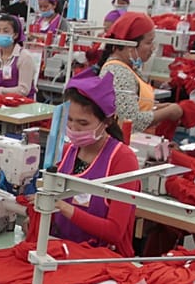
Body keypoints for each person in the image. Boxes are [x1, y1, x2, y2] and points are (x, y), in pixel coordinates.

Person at [49, 72, 140, 254]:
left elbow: (115, 232)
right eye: (69, 120)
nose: (73, 128)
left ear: (107, 121)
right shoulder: (67, 152)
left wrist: (64, 208)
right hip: (63, 250)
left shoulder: (122, 160)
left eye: (83, 123)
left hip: (101, 258)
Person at [98, 12, 182, 133]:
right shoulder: (118, 73)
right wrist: (168, 112)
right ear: (130, 45)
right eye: (148, 43)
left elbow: (133, 106)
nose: (153, 48)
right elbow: (129, 121)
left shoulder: (128, 67)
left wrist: (158, 107)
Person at [0, 14, 37, 99]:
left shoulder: (24, 57)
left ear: (15, 35)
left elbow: (23, 90)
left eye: (6, 31)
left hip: (21, 103)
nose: (1, 34)